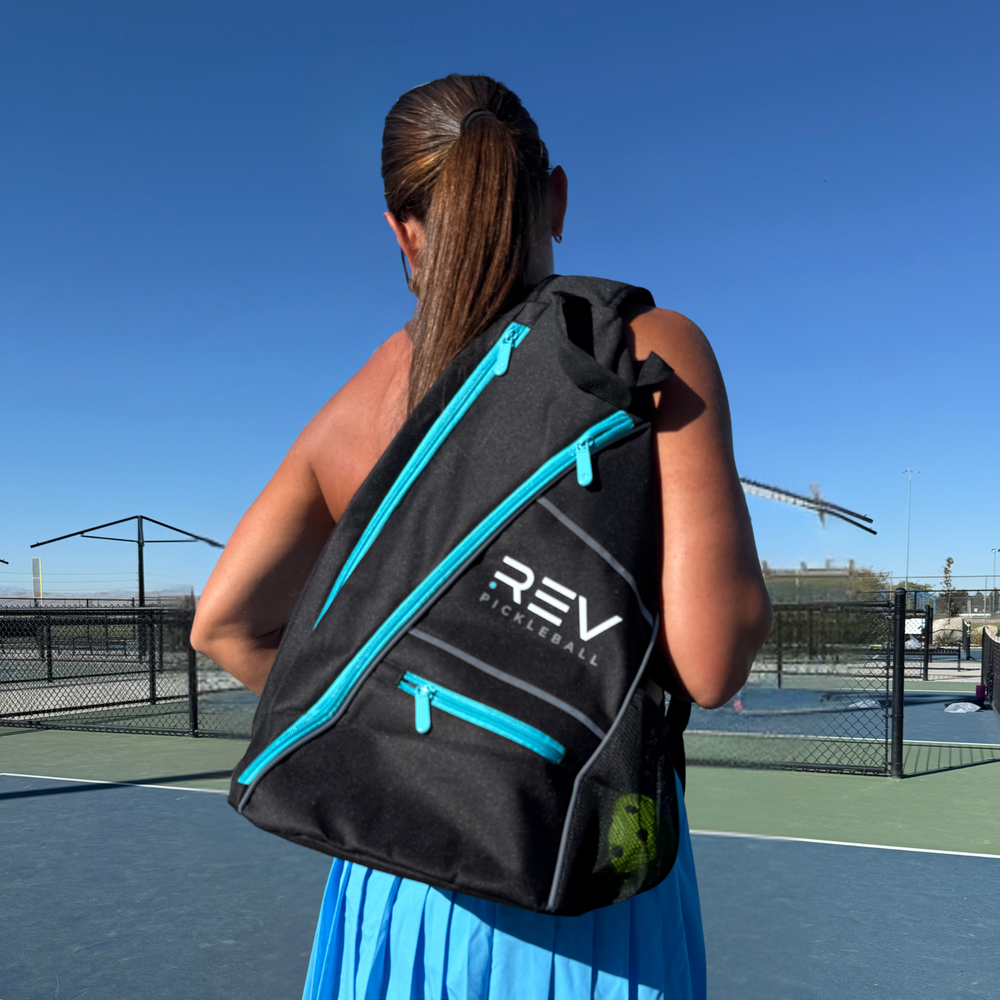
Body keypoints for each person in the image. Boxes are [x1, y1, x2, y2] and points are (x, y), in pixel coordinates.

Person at [192, 73, 772, 1000]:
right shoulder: (643, 344)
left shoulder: (369, 393)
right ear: (556, 197)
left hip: (397, 870)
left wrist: (412, 741)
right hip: (579, 867)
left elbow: (223, 624)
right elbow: (712, 665)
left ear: (402, 231)